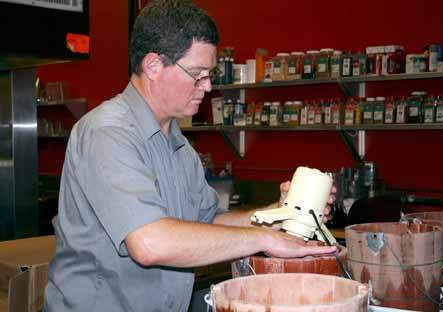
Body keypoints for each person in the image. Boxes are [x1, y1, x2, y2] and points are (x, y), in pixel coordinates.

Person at [43, 1, 336, 311]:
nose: (207, 87)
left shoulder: (178, 145)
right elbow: (149, 243)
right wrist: (264, 240)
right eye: (197, 74)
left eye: (209, 75)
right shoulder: (106, 133)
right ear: (153, 66)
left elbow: (210, 220)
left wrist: (278, 215)